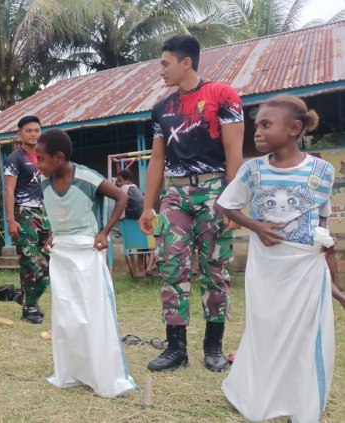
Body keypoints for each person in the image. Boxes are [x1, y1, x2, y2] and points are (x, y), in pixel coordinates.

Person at [217, 95, 335, 422]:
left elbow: (322, 228)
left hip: (306, 269)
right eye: (257, 125)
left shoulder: (322, 171)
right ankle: (259, 395)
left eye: (266, 125)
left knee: (303, 333)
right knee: (265, 328)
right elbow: (225, 206)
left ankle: (299, 400)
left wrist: (333, 281)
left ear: (295, 128)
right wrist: (256, 226)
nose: (257, 132)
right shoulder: (252, 170)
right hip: (266, 267)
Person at [139, 35, 245, 372]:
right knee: (171, 268)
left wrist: (232, 202)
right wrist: (147, 206)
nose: (161, 71)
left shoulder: (223, 95)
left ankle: (213, 347)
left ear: (187, 63)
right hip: (175, 193)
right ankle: (176, 349)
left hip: (214, 189)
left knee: (215, 269)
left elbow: (234, 153)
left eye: (165, 63)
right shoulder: (161, 109)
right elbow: (157, 159)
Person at [35, 129, 137, 398]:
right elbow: (58, 217)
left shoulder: (86, 177)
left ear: (59, 157)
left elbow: (122, 197)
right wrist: (51, 236)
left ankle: (100, 370)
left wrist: (105, 232)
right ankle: (73, 370)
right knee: (67, 313)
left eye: (42, 159)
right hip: (62, 254)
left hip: (87, 252)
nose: (38, 165)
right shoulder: (45, 184)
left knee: (92, 310)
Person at [4, 115, 50, 324]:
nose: (33, 134)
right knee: (29, 262)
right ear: (20, 133)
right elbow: (9, 190)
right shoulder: (15, 158)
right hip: (25, 213)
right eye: (29, 130)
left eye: (37, 130)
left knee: (54, 259)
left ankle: (25, 296)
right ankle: (29, 308)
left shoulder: (45, 156)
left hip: (46, 213)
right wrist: (11, 220)